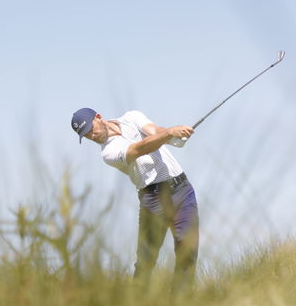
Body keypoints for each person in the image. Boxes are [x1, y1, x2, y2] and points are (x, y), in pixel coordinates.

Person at [70, 108, 199, 292]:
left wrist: (174, 137)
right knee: (147, 260)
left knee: (188, 251)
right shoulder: (108, 153)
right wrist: (170, 133)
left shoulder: (131, 117)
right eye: (86, 135)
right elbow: (139, 148)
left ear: (98, 117)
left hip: (182, 190)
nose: (92, 135)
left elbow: (155, 131)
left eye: (91, 129)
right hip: (153, 200)